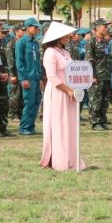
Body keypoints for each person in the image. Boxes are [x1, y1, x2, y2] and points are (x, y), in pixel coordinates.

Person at [38, 21, 85, 171]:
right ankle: (58, 159)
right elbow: (52, 77)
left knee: (69, 124)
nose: (69, 37)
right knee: (58, 124)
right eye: (65, 35)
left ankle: (71, 158)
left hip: (70, 91)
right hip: (58, 92)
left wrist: (75, 88)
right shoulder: (50, 52)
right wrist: (67, 90)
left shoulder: (65, 52)